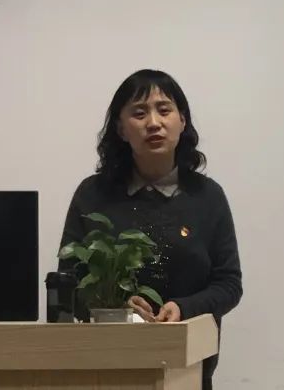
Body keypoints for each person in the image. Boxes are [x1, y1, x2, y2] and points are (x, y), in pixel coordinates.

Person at [59, 69, 242, 390]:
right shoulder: (92, 195)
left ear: (182, 121)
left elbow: (228, 284)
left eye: (164, 110)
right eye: (139, 113)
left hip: (188, 370)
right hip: (106, 370)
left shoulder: (208, 197)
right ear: (120, 128)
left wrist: (184, 308)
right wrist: (114, 307)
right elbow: (67, 281)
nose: (153, 123)